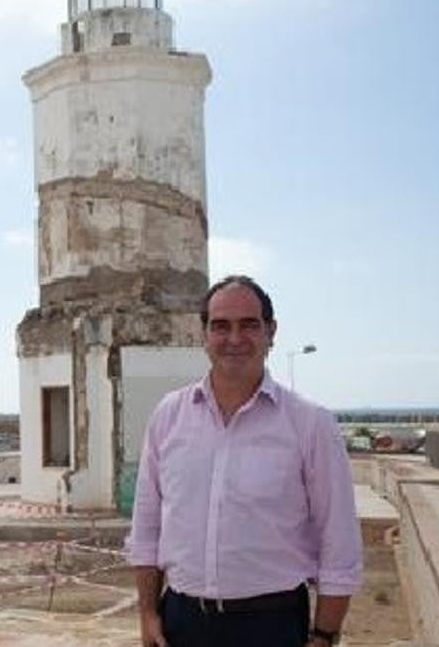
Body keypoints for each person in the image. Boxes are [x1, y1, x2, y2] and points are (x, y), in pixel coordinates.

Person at [125, 275, 362, 647]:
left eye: (249, 324)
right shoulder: (168, 416)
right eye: (220, 326)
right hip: (181, 623)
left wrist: (325, 634)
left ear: (271, 331)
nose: (234, 338)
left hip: (272, 626)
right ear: (203, 334)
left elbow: (339, 539)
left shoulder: (310, 423)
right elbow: (147, 525)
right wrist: (147, 612)